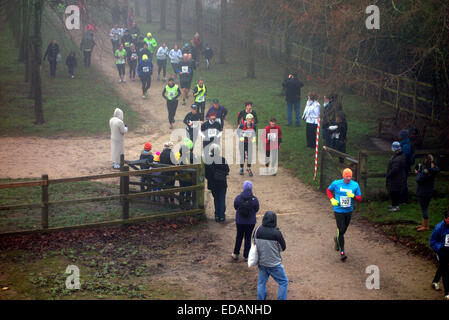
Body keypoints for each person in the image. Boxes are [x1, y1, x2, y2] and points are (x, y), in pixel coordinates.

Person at [326, 168, 362, 261]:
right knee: (341, 229)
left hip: (348, 211)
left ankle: (336, 239)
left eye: (350, 176)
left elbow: (359, 198)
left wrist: (353, 196)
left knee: (343, 230)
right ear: (343, 176)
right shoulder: (336, 183)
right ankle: (342, 252)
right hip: (338, 210)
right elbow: (328, 190)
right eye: (347, 176)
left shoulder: (355, 185)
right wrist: (332, 199)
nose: (349, 178)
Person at [255, 211, 288, 300]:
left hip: (262, 262)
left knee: (261, 283)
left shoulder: (257, 230)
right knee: (283, 282)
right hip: (274, 264)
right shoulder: (277, 233)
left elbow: (255, 244)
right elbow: (282, 248)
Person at [232, 181, 259, 261]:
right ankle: (246, 256)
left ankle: (236, 253)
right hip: (250, 222)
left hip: (240, 221)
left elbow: (235, 206)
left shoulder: (238, 198)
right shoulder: (254, 199)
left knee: (239, 236)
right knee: (248, 237)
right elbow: (257, 209)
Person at [204, 144, 229, 222]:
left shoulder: (208, 161)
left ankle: (217, 215)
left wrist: (211, 178)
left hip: (213, 184)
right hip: (222, 183)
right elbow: (227, 170)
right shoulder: (223, 159)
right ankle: (222, 215)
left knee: (216, 199)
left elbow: (206, 174)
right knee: (222, 198)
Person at [415, 154, 440, 231]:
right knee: (424, 208)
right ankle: (424, 224)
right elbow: (436, 169)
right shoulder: (433, 169)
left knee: (424, 209)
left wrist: (418, 172)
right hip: (429, 191)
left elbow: (418, 179)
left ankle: (426, 226)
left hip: (423, 192)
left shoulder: (425, 171)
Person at [430, 210, 449, 300]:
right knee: (445, 270)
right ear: (445, 218)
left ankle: (435, 282)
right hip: (442, 252)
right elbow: (432, 242)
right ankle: (447, 293)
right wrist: (441, 247)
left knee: (442, 267)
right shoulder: (439, 228)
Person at [386, 142, 407, 212]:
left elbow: (395, 169)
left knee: (394, 192)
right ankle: (394, 205)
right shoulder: (401, 155)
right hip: (398, 177)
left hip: (396, 178)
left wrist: (389, 174)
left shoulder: (398, 158)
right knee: (394, 192)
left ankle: (396, 206)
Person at [399, 129, 414, 203]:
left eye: (400, 135)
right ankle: (403, 198)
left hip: (404, 167)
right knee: (402, 182)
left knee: (403, 182)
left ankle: (404, 199)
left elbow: (404, 157)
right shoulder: (404, 144)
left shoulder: (405, 146)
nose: (399, 136)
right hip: (404, 166)